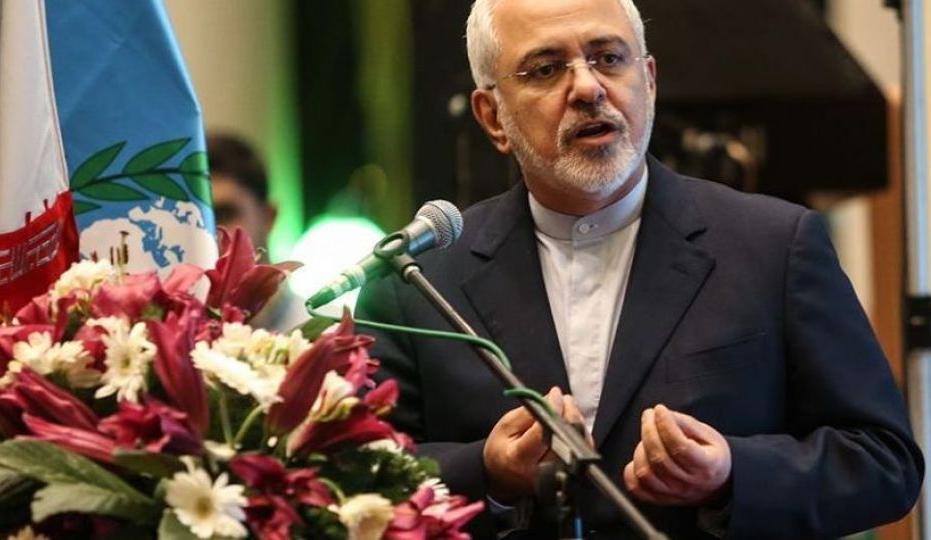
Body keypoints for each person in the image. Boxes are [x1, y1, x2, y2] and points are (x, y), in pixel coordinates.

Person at [355, 0, 924, 538]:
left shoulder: (775, 245)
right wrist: (486, 472)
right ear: (492, 116)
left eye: (608, 58)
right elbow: (353, 474)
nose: (588, 88)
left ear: (648, 81)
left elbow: (884, 462)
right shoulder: (416, 279)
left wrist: (732, 472)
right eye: (546, 69)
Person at [207, 133, 304, 330]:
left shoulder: (331, 336)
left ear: (269, 217)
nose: (210, 235)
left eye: (224, 214)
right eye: (198, 221)